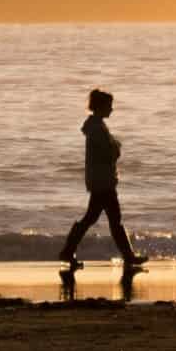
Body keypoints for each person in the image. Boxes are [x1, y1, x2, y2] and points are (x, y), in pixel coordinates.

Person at [58, 88, 147, 266]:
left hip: (99, 181)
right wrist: (116, 146)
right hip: (103, 182)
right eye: (109, 106)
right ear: (101, 107)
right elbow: (110, 153)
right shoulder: (97, 129)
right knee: (113, 220)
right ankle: (128, 256)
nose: (112, 109)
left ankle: (68, 251)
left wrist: (114, 146)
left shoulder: (96, 127)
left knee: (93, 218)